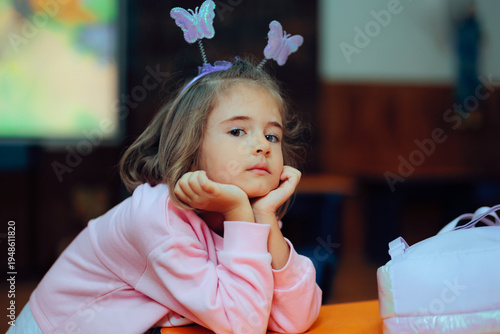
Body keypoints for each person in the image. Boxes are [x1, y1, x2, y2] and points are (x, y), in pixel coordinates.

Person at [10, 59, 322, 334]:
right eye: (237, 131)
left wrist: (264, 216)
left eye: (272, 135)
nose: (263, 146)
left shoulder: (252, 213)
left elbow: (296, 318)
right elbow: (243, 325)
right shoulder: (159, 216)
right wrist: (238, 210)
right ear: (191, 144)